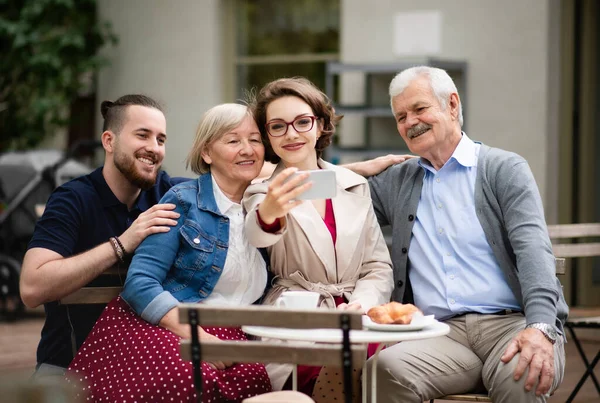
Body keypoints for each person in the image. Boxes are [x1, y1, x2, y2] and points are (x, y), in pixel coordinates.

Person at [367, 66, 568, 403]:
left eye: (419, 108)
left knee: (523, 374)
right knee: (382, 369)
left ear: (452, 105)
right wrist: (356, 170)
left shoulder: (504, 169)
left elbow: (534, 252)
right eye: (400, 116)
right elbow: (329, 200)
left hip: (512, 324)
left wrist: (541, 327)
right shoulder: (396, 181)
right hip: (439, 334)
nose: (409, 122)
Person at [66, 103, 273, 402]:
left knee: (258, 382)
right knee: (188, 379)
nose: (247, 149)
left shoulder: (267, 206)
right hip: (166, 326)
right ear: (206, 153)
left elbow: (302, 171)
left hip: (235, 334)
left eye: (255, 140)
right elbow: (140, 282)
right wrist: (199, 336)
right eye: (233, 140)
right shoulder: (182, 202)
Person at [242, 77, 394, 401]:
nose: (292, 134)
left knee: (381, 357)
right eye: (278, 126)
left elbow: (378, 265)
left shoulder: (353, 184)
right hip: (297, 312)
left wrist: (363, 304)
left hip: (356, 310)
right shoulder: (260, 190)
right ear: (267, 135)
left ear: (320, 124)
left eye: (302, 122)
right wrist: (270, 209)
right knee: (332, 360)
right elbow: (256, 234)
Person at [20, 94, 184, 377]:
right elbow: (31, 288)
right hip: (68, 368)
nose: (154, 148)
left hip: (145, 369)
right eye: (142, 135)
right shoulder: (72, 199)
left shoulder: (170, 194)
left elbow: (223, 184)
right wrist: (122, 243)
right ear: (109, 141)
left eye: (161, 139)